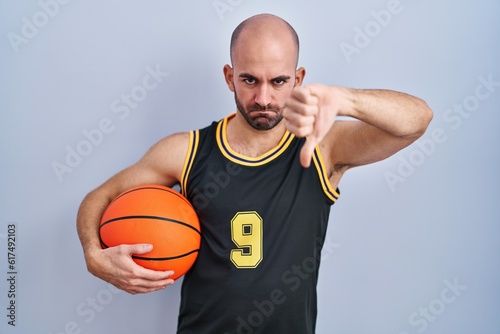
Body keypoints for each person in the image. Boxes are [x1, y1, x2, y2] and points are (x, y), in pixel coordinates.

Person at [77, 13, 433, 333]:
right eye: (249, 80)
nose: (263, 97)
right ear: (230, 77)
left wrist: (346, 100)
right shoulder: (186, 151)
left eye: (278, 81)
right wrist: (94, 255)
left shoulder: (323, 147)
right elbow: (100, 197)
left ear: (298, 79)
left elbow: (417, 121)